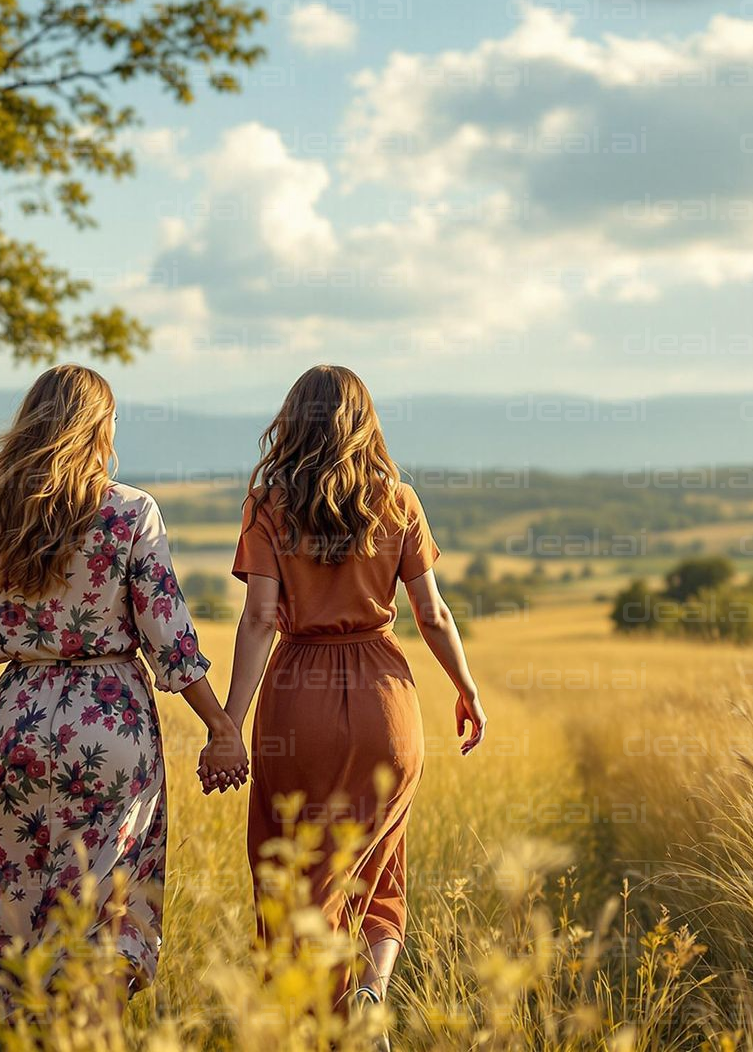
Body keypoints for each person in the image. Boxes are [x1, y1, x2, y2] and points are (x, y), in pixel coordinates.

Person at [0, 364, 249, 990]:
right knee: (107, 926)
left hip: (17, 730)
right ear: (98, 428)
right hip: (112, 726)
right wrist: (221, 727)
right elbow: (171, 640)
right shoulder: (131, 512)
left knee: (22, 921)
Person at [224, 364, 488, 1028]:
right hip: (384, 701)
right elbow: (433, 615)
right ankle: (369, 999)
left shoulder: (267, 506)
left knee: (294, 862)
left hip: (296, 697)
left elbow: (258, 618)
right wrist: (466, 688)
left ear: (293, 423)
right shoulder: (398, 502)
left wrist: (228, 722)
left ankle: (313, 1020)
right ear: (364, 422)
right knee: (379, 862)